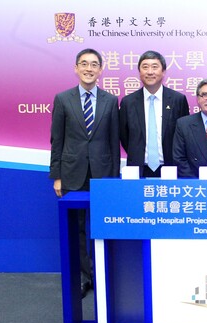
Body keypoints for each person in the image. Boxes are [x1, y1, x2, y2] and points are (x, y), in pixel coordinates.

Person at [49, 48, 120, 298]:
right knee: (77, 228)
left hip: (102, 175)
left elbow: (114, 143)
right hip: (71, 173)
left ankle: (102, 274)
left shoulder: (111, 101)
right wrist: (56, 175)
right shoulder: (63, 99)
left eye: (94, 64)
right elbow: (57, 140)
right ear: (76, 68)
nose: (89, 69)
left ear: (101, 69)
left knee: (101, 225)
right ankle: (83, 277)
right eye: (84, 64)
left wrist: (112, 179)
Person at [119, 50, 190, 177]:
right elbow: (124, 136)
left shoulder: (178, 100)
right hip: (138, 169)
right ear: (139, 72)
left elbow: (184, 135)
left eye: (155, 67)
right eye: (145, 67)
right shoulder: (128, 102)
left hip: (171, 168)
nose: (150, 72)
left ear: (163, 72)